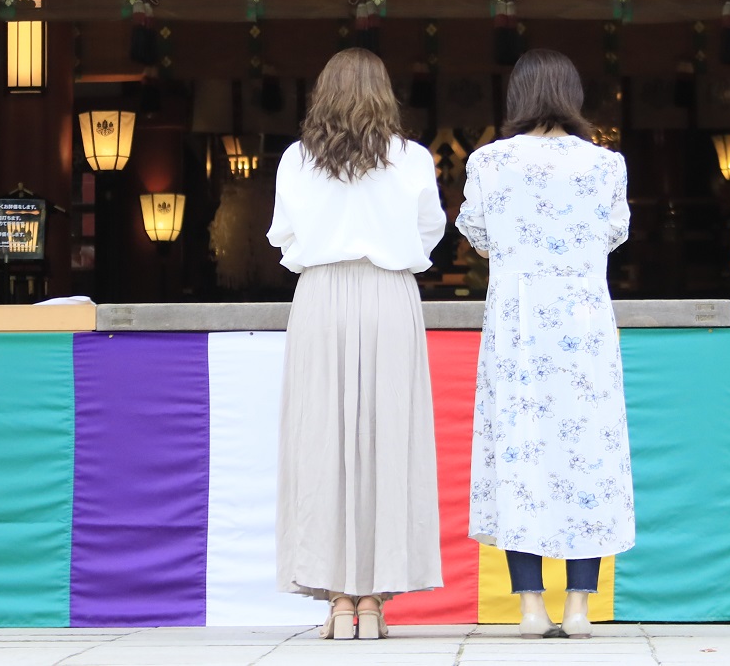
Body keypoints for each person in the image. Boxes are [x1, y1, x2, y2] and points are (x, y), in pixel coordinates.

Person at [456, 48, 634, 639]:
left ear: (517, 97)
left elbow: (479, 236)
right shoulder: (606, 165)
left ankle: (531, 607)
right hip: (584, 327)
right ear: (573, 96)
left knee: (520, 455)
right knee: (590, 455)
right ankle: (580, 607)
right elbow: (612, 235)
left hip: (519, 327)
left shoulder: (489, 161)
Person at [269, 48, 446, 640]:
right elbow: (430, 231)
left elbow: (283, 236)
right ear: (384, 94)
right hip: (390, 294)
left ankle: (339, 601)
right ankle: (373, 600)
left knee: (322, 443)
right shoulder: (411, 158)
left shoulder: (297, 159)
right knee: (387, 442)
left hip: (321, 297)